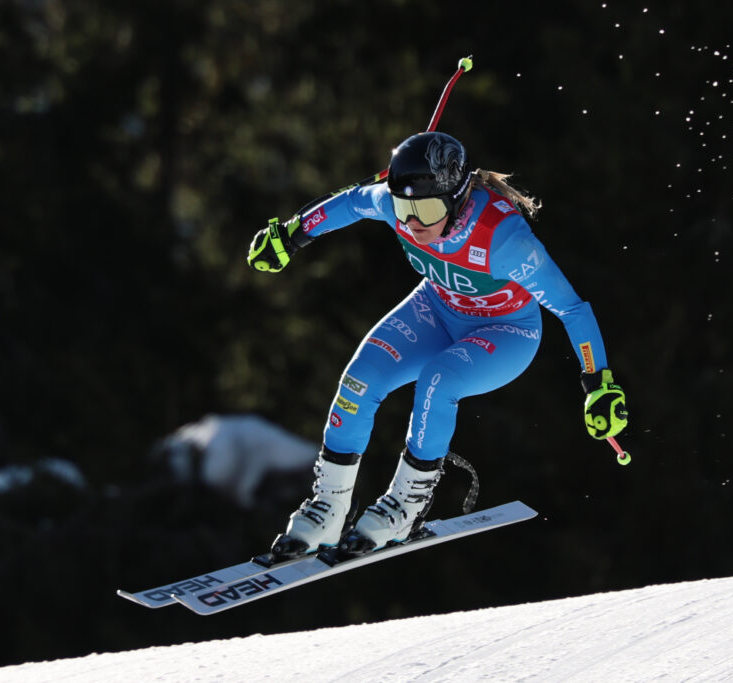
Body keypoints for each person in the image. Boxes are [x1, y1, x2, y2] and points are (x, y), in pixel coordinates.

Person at [247, 131, 628, 558]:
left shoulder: (504, 240)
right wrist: (292, 235)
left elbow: (572, 309)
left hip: (505, 332)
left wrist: (598, 382)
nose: (412, 223)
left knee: (437, 382)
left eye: (425, 210)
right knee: (360, 379)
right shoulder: (397, 205)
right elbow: (353, 201)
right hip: (436, 308)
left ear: (460, 197)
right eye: (404, 208)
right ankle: (329, 507)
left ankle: (406, 504)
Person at [151, 414, 319, 509]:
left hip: (302, 468)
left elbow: (225, 477)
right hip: (291, 468)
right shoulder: (195, 437)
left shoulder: (215, 447)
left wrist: (243, 494)